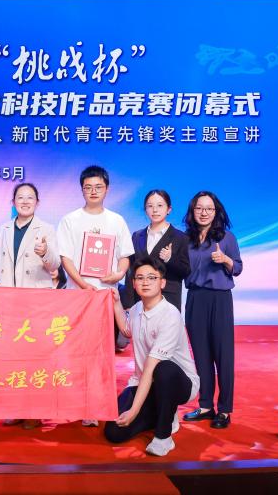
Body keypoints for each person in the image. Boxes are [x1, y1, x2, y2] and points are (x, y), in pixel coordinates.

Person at [56, 165, 134, 426]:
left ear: (106, 189)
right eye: (88, 187)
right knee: (77, 352)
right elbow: (65, 258)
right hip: (78, 297)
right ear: (82, 190)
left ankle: (98, 404)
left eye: (98, 187)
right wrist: (82, 284)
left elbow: (125, 256)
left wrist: (118, 274)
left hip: (105, 297)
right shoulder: (70, 220)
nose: (93, 191)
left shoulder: (116, 221)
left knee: (103, 353)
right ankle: (80, 403)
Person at [104, 257, 199, 456]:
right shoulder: (137, 308)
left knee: (163, 369)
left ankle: (164, 436)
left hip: (178, 382)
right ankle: (161, 411)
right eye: (140, 278)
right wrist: (116, 302)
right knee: (113, 432)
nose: (145, 282)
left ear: (162, 282)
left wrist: (134, 411)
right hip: (143, 383)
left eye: (151, 277)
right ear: (133, 283)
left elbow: (150, 367)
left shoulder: (170, 315)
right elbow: (126, 330)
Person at [0, 182, 60, 431]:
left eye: (30, 197)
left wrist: (45, 252)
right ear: (13, 202)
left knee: (36, 358)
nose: (24, 201)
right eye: (20, 197)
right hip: (9, 302)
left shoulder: (47, 229)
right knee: (13, 359)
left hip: (35, 303)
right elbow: (2, 268)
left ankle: (35, 410)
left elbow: (54, 265)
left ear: (37, 202)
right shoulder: (3, 229)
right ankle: (16, 408)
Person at [181, 191, 243, 430]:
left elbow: (238, 267)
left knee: (223, 356)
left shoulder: (227, 237)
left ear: (216, 212)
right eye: (199, 208)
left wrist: (225, 259)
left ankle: (225, 410)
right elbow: (180, 268)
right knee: (201, 355)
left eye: (209, 208)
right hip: (195, 298)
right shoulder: (185, 239)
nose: (204, 212)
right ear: (192, 211)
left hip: (220, 299)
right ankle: (206, 406)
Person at [122, 190, 190, 312]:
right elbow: (131, 270)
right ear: (145, 209)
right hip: (140, 299)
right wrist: (128, 303)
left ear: (169, 209)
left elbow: (186, 271)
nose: (155, 210)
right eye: (150, 206)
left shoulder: (180, 237)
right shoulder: (137, 236)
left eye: (160, 205)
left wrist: (170, 259)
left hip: (168, 299)